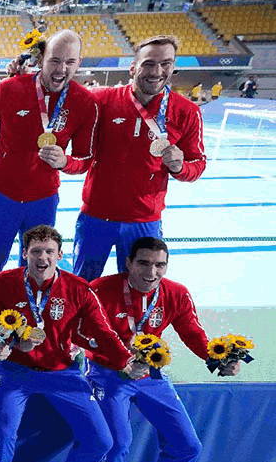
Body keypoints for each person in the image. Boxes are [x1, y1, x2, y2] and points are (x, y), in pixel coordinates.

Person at [85, 237, 240, 462]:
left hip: (148, 373)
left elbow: (192, 331)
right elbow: (84, 334)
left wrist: (217, 360)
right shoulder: (101, 289)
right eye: (143, 263)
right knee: (119, 442)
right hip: (107, 370)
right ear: (128, 263)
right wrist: (120, 358)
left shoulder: (176, 293)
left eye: (160, 265)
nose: (152, 272)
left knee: (187, 445)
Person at [0, 225, 139, 462]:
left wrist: (126, 360)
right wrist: (6, 345)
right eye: (36, 251)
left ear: (60, 255)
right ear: (24, 253)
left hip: (62, 372)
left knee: (102, 440)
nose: (42, 258)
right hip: (15, 371)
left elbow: (102, 331)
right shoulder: (2, 283)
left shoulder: (79, 288)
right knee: (5, 428)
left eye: (49, 252)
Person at [68, 36, 206, 281]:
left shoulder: (187, 112)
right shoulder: (101, 101)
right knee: (82, 283)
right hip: (96, 216)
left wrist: (180, 167)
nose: (157, 71)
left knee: (137, 286)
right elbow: (62, 96)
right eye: (149, 64)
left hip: (144, 220)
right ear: (133, 67)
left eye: (166, 63)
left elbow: (198, 164)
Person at [0, 30, 98, 278]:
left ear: (79, 63)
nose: (61, 69)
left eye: (70, 62)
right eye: (54, 60)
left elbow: (85, 160)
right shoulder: (7, 89)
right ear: (41, 58)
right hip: (2, 196)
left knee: (36, 268)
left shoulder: (85, 102)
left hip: (43, 201)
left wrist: (65, 161)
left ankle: (27, 310)